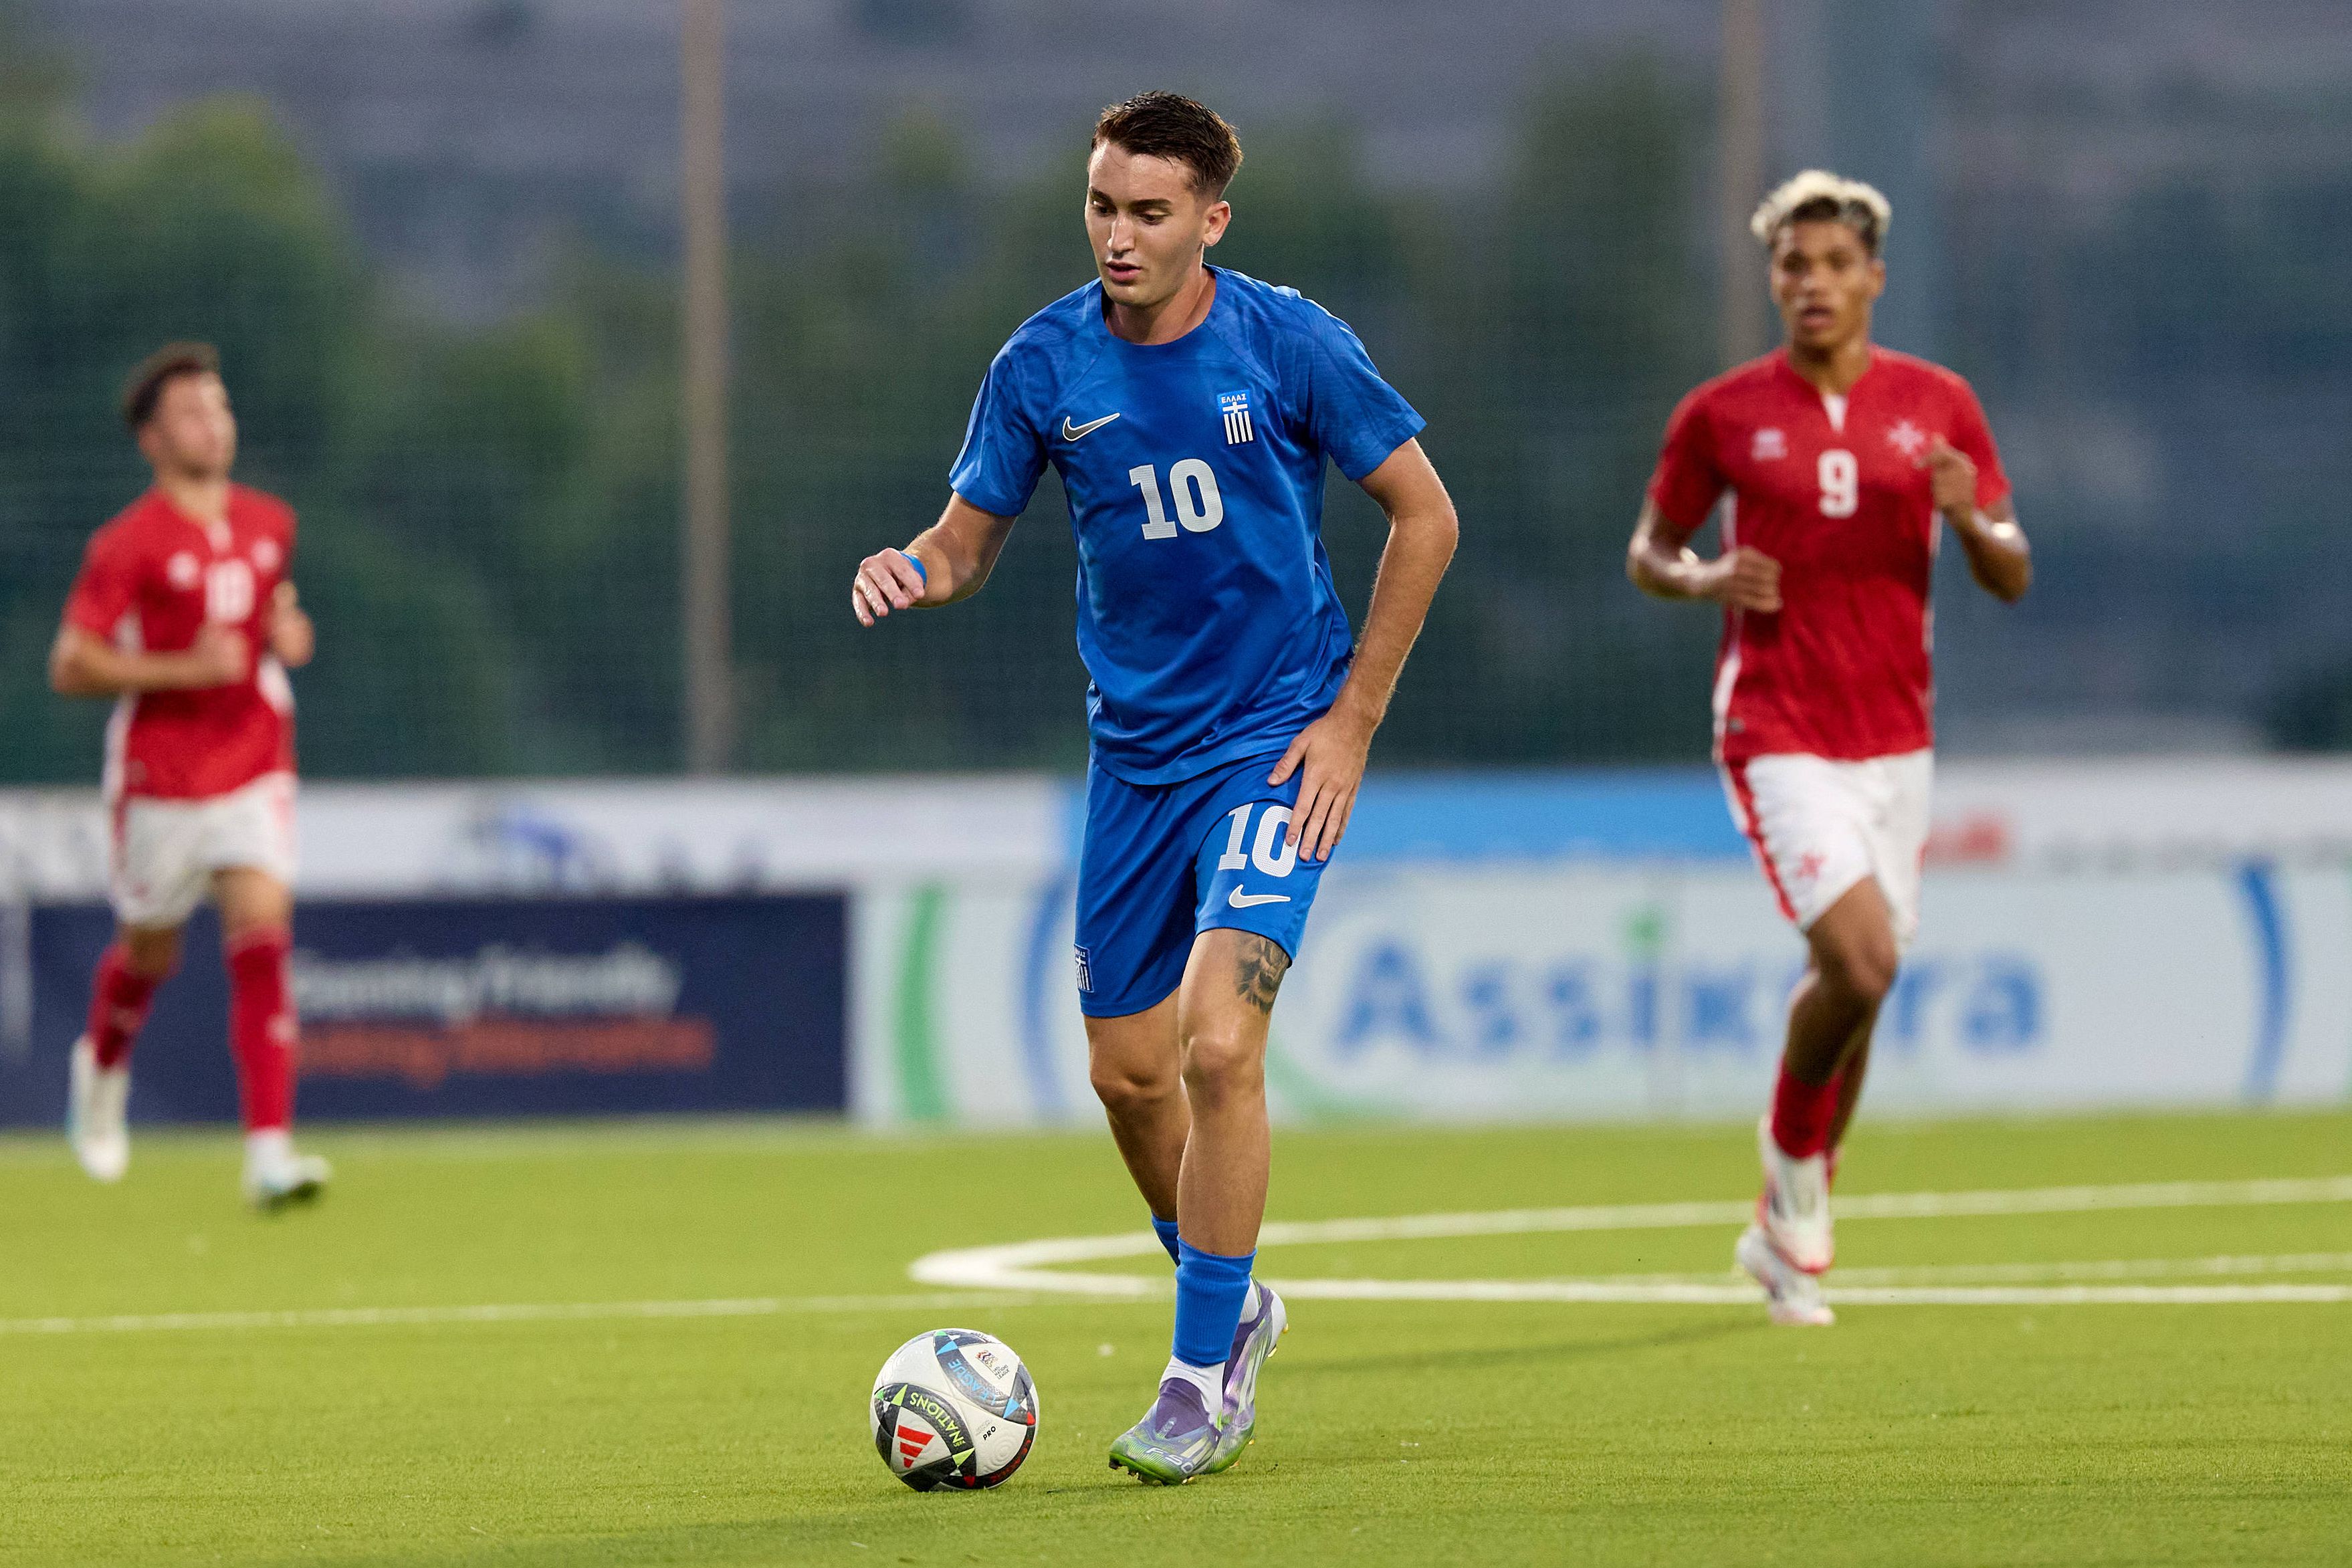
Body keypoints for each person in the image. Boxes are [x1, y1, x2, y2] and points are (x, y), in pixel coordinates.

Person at [851, 92, 1457, 1481]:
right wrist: (916, 567)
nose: (1118, 237)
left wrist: (1352, 721)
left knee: (1220, 1044)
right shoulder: (1041, 365)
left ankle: (1196, 1380)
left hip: (1272, 741)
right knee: (1129, 1080)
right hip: (1134, 760)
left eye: (1149, 213)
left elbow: (1426, 514)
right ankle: (1231, 1296)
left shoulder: (1287, 342)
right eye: (1102, 207)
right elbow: (968, 540)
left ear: (1210, 222)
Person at [1626, 172, 2030, 1325]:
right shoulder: (1721, 413)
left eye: (1832, 266)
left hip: (1894, 736)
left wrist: (1968, 515)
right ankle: (1796, 1171)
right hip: (1775, 726)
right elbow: (1651, 551)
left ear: (1873, 279)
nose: (1810, 284)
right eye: (1791, 266)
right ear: (1774, 280)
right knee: (1859, 962)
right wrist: (1706, 573)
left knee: (1858, 985)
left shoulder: (1938, 403)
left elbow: (2009, 570)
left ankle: (1784, 1219)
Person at [49, 342, 332, 1210]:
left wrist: (291, 637)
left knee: (262, 935)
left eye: (219, 404)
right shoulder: (126, 545)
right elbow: (71, 664)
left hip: (252, 758)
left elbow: (277, 618)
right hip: (162, 775)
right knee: (151, 951)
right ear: (152, 439)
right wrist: (182, 670)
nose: (213, 422)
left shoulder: (268, 522)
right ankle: (100, 1066)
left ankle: (268, 1154)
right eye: (190, 412)